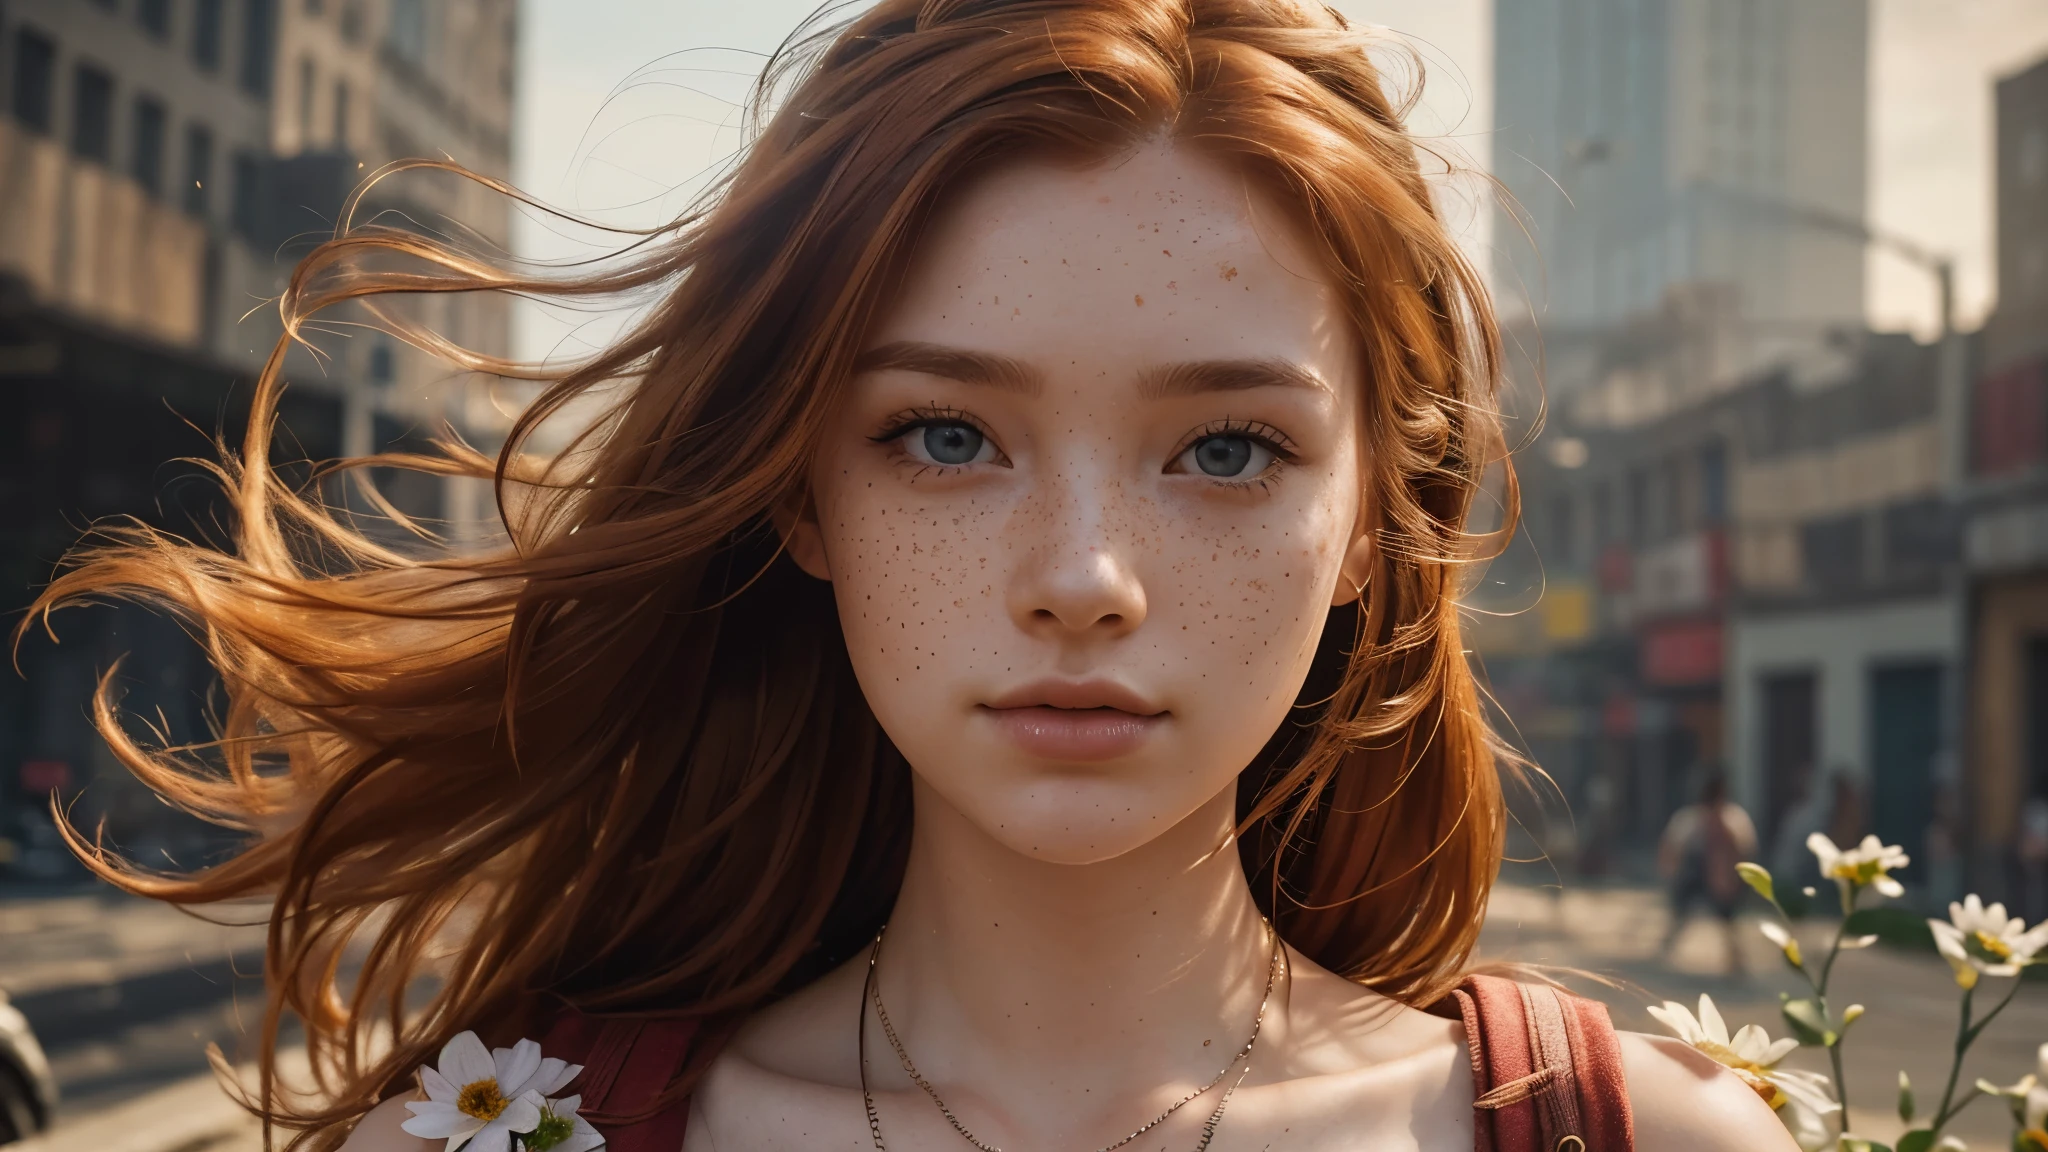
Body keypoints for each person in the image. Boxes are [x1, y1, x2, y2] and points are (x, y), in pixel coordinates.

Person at [24, 3, 1790, 1149]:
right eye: (945, 436)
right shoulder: (506, 1132)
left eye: (1228, 448)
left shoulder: (1630, 1136)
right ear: (799, 495)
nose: (1083, 578)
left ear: (1376, 528)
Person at [1658, 771, 1759, 975]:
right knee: (1682, 914)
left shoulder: (1733, 819)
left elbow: (1746, 851)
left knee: (1728, 920)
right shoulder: (1691, 820)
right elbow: (1671, 851)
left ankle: (1736, 959)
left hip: (1725, 880)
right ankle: (1666, 947)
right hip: (1696, 877)